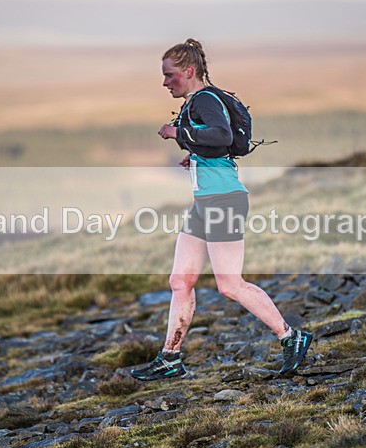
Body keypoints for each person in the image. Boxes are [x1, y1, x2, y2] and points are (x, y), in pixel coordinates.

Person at [131, 38, 313, 381]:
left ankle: (291, 336)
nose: (165, 82)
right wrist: (195, 156)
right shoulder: (197, 101)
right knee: (180, 280)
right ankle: (170, 357)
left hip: (224, 200)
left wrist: (179, 134)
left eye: (170, 75)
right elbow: (217, 144)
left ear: (189, 71)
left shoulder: (203, 100)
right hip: (205, 203)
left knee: (229, 284)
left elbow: (220, 134)